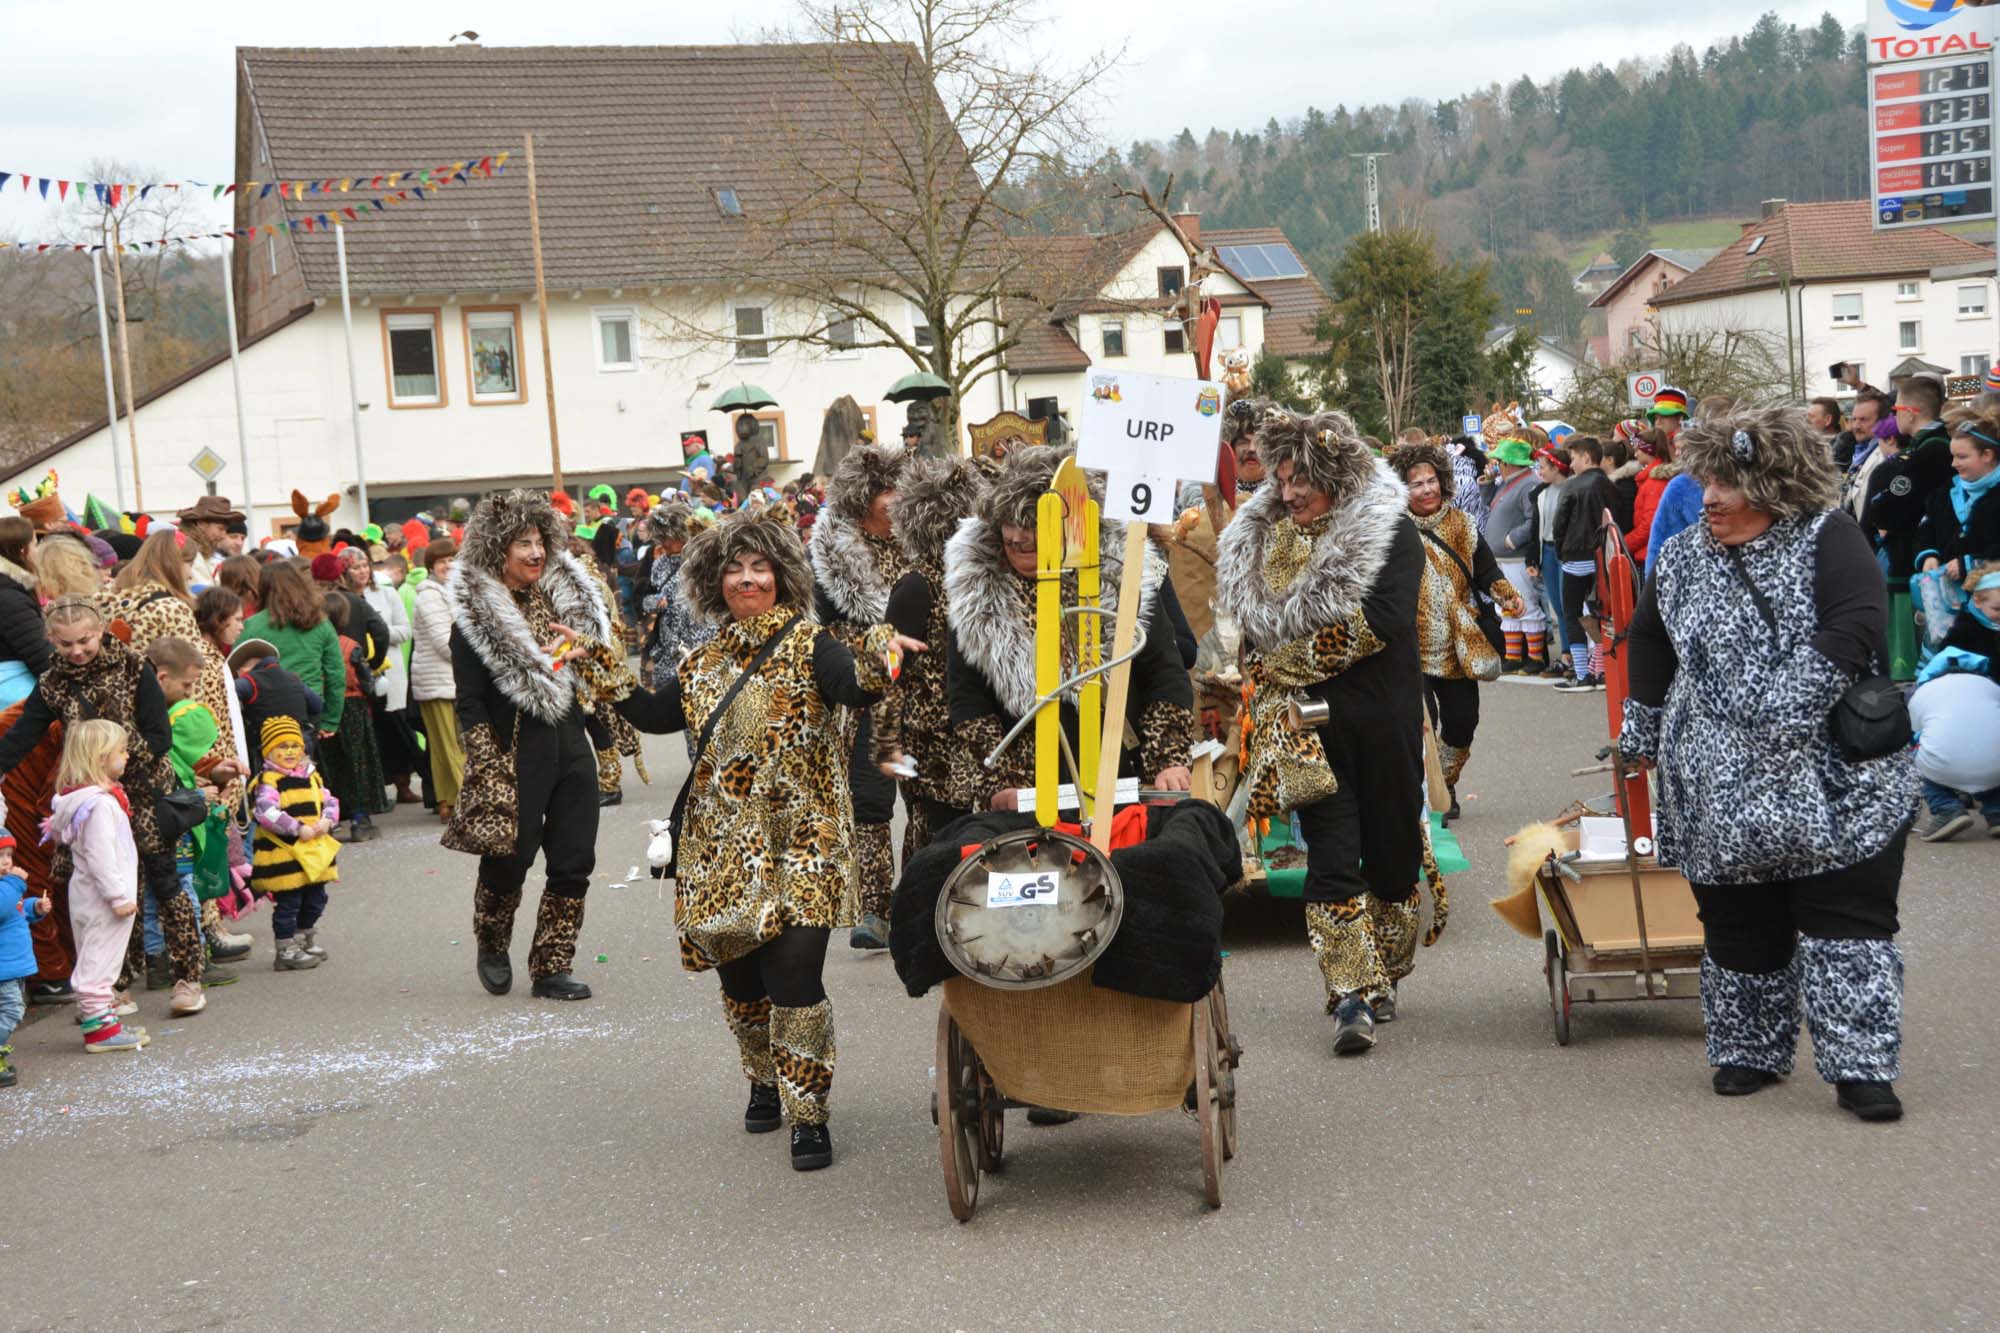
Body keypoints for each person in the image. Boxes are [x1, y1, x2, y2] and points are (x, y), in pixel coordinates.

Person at [1618, 405, 1916, 1123]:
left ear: (1776, 484)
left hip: (1834, 776)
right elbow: (1649, 640)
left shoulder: (1828, 535)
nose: (1710, 498)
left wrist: (1780, 713)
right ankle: (1748, 1047)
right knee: (1737, 917)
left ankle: (1861, 1067)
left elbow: (1855, 623)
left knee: (1845, 920)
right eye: (1706, 482)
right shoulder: (1681, 555)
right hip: (1713, 776)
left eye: (1727, 483)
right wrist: (1643, 727)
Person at [612, 510, 923, 1171]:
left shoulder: (812, 644)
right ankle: (762, 1076)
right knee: (742, 978)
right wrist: (598, 671)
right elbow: (652, 715)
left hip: (806, 837)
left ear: (782, 577)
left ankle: (808, 1113)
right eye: (734, 569)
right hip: (722, 845)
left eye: (760, 567)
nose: (747, 579)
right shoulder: (703, 661)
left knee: (794, 973)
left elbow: (855, 685)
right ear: (714, 582)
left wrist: (883, 651)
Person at [1215, 407, 1430, 1055]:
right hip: (1305, 732)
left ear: (1334, 476)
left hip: (1384, 721)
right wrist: (1263, 670)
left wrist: (1289, 659)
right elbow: (1253, 631)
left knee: (1393, 860)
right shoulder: (1264, 539)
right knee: (1331, 861)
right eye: (1280, 479)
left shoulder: (1390, 530)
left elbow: (1382, 619)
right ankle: (1351, 996)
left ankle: (1385, 972)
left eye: (1300, 478)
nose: (1287, 492)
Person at [450, 489, 634, 1003]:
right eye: (522, 544)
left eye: (539, 543)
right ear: (497, 550)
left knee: (574, 861)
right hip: (514, 755)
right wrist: (486, 762)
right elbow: (469, 702)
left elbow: (596, 672)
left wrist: (584, 655)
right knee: (509, 861)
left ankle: (553, 965)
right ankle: (492, 942)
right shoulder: (477, 621)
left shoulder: (561, 604)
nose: (534, 553)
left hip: (570, 746)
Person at [943, 445, 1195, 815]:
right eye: (1010, 534)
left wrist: (1167, 759)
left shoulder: (1119, 576)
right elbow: (968, 699)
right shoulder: (976, 593)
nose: (1018, 541)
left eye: (1031, 531)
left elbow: (1163, 671)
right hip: (1026, 789)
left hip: (1121, 773)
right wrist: (1001, 779)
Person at [0, 598, 206, 1018]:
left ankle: (188, 977)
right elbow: (24, 735)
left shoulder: (133, 666)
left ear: (100, 632)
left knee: (165, 882)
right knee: (108, 890)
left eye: (85, 640)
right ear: (51, 640)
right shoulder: (53, 682)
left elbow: (159, 736)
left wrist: (114, 768)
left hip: (142, 793)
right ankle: (118, 984)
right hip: (91, 800)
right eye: (66, 644)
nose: (77, 651)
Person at [809, 445, 911, 948]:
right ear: (862, 497)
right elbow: (818, 631)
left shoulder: (922, 541)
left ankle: (916, 903)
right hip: (867, 690)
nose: (892, 499)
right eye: (883, 490)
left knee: (928, 799)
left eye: (897, 488)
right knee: (869, 800)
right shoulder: (832, 555)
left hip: (923, 688)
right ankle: (874, 909)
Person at [1390, 442, 1523, 824]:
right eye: (1416, 484)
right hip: (1409, 648)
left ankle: (1444, 781)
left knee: (1463, 723)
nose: (1427, 489)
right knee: (1421, 727)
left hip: (1458, 644)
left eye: (1432, 480)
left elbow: (1486, 571)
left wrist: (1508, 595)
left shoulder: (1463, 524)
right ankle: (1428, 797)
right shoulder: (1392, 531)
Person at [876, 454, 987, 855]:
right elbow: (888, 673)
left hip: (979, 736)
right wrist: (887, 742)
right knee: (939, 844)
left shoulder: (979, 578)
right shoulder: (917, 585)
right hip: (934, 747)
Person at [46, 719, 150, 1051]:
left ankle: (105, 1023)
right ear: (101, 757)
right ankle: (100, 1033)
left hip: (95, 894)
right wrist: (118, 896)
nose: (127, 755)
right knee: (98, 962)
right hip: (103, 898)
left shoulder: (95, 801)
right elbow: (100, 855)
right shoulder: (100, 805)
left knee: (101, 958)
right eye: (122, 750)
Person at [250, 716, 340, 970]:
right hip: (284, 854)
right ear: (269, 751)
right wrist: (296, 827)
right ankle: (285, 949)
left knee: (316, 899)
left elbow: (330, 801)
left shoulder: (312, 776)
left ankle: (303, 936)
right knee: (289, 902)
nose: (289, 752)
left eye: (294, 746)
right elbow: (266, 811)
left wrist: (327, 820)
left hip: (311, 853)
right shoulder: (269, 781)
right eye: (282, 746)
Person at [242, 560, 345, 773]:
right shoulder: (320, 622)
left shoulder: (252, 625)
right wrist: (331, 719)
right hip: (307, 708)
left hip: (264, 708)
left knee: (268, 771)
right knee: (304, 770)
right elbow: (335, 674)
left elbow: (237, 667)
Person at [1866, 374, 1955, 578]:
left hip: (1917, 558)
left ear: (1910, 414)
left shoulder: (1930, 451)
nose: (1894, 415)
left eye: (1896, 409)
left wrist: (1879, 507)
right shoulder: (1933, 443)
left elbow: (1888, 510)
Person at [1550, 436, 1618, 692]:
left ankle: (1581, 674)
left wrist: (1561, 550)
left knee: (1573, 613)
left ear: (1586, 458)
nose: (1572, 464)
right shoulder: (1610, 485)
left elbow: (1560, 524)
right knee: (1600, 613)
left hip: (1575, 557)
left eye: (1574, 458)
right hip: (1604, 558)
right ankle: (1602, 670)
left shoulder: (1572, 486)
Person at [358, 547, 420, 806]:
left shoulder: (386, 593)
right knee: (370, 735)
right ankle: (375, 791)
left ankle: (403, 784)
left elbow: (405, 631)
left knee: (396, 731)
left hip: (387, 672)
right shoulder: (340, 598)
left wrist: (377, 633)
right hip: (358, 675)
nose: (361, 571)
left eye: (364, 565)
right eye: (355, 567)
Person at [1480, 437, 1547, 673]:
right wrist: (1487, 483)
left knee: (1525, 604)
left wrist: (1512, 539)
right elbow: (1490, 503)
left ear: (1507, 463)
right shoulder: (1509, 482)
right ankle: (1514, 656)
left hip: (1516, 556)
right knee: (1507, 606)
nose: (1497, 465)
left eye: (1499, 461)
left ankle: (1536, 658)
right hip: (1503, 557)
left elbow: (1533, 519)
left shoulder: (1528, 484)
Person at [1912, 406, 2000, 580]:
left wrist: (1971, 563)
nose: (1954, 464)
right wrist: (1928, 554)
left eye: (1962, 457)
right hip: (1950, 591)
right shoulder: (1947, 491)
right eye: (1953, 456)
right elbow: (1927, 528)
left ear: (1987, 455)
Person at [410, 539, 462, 823]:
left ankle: (448, 802)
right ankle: (464, 802)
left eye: (452, 559)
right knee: (452, 746)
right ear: (431, 566)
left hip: (444, 679)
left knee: (445, 746)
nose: (448, 566)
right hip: (440, 680)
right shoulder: (431, 595)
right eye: (442, 561)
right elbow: (445, 643)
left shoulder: (451, 591)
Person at [642, 507, 715, 688]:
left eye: (668, 537)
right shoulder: (658, 564)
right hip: (667, 647)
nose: (664, 543)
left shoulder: (704, 561)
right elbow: (644, 598)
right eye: (661, 538)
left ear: (683, 535)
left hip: (701, 640)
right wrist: (655, 602)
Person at [0, 828, 51, 1086]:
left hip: (12, 967)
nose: (6, 862)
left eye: (9, 855)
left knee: (9, 1010)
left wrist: (34, 907)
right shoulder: (9, 886)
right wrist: (16, 883)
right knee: (12, 1010)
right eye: (0, 856)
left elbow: (15, 911)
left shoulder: (7, 886)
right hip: (4, 969)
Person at [1526, 438, 1571, 678]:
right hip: (1548, 551)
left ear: (1556, 468)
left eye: (1543, 467)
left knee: (1569, 604)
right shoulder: (1541, 493)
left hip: (1566, 552)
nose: (1539, 471)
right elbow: (1536, 528)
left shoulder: (1572, 489)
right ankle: (1565, 655)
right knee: (1557, 608)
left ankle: (1578, 655)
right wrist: (1532, 559)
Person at [0, 518, 49, 710]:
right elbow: (41, 658)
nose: (38, 551)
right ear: (22, 551)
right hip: (15, 701)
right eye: (35, 545)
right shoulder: (9, 598)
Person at [1625, 428, 1679, 569]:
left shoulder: (1655, 482)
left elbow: (1649, 524)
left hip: (1650, 555)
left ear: (1647, 450)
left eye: (1638, 450)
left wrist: (1625, 544)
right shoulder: (1652, 479)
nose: (1635, 454)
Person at [177, 496, 247, 588]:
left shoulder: (201, 553)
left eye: (225, 530)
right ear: (201, 523)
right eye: (220, 529)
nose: (223, 535)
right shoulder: (188, 552)